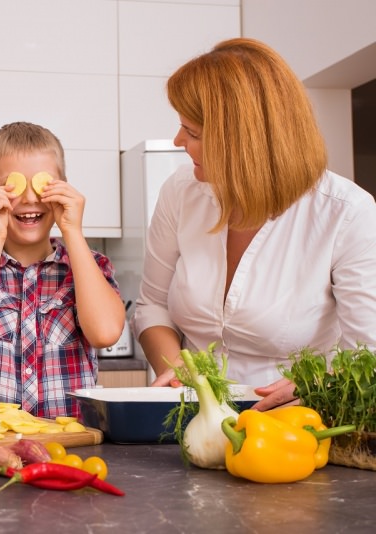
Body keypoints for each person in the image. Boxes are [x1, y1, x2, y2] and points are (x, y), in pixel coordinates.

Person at [133, 38, 376, 411]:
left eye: (193, 133)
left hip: (293, 426)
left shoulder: (347, 213)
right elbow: (152, 306)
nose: (178, 140)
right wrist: (177, 365)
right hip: (192, 420)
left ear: (242, 143)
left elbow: (368, 353)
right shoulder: (180, 192)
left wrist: (313, 385)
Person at [0, 121, 127, 418]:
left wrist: (72, 230)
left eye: (43, 184)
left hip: (68, 445)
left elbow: (104, 334)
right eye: (13, 186)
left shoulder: (91, 266)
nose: (29, 198)